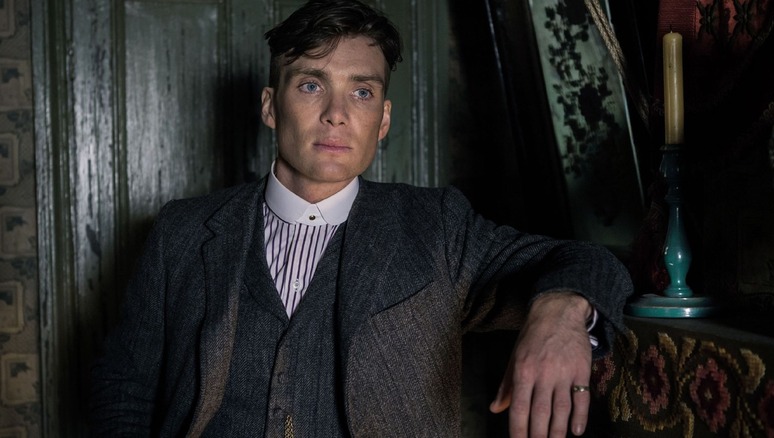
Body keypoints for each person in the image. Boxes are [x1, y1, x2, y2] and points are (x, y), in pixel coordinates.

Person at [90, 0, 633, 436]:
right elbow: (125, 390)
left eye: (362, 91)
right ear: (270, 106)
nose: (336, 112)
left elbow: (583, 258)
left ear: (383, 119)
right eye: (310, 85)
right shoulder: (182, 231)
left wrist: (561, 316)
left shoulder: (437, 227)